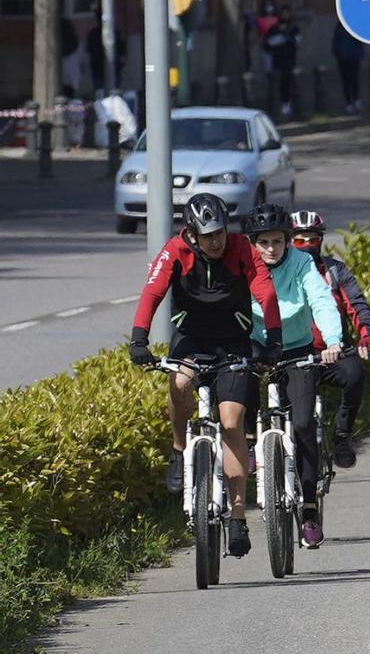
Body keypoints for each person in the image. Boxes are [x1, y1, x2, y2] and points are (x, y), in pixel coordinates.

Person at [128, 194, 282, 557]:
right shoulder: (175, 250)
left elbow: (265, 291)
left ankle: (238, 517)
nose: (217, 241)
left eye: (221, 233)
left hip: (233, 344)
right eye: (208, 235)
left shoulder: (242, 248)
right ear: (192, 234)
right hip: (192, 341)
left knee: (231, 423)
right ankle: (180, 450)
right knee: (179, 382)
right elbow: (152, 291)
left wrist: (274, 340)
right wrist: (139, 339)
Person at [242, 203, 344, 548]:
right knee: (238, 400)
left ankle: (310, 508)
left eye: (277, 241)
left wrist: (332, 341)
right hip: (256, 347)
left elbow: (321, 299)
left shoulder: (301, 264)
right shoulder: (243, 264)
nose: (271, 249)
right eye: (263, 243)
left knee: (302, 426)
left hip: (297, 350)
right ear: (252, 244)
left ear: (288, 241)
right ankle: (252, 449)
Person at [291, 210, 370, 468]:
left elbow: (357, 305)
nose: (307, 246)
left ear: (321, 240)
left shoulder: (335, 271)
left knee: (355, 376)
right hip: (294, 356)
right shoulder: (280, 273)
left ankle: (342, 436)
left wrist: (368, 336)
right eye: (299, 241)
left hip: (331, 354)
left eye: (312, 240)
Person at [264, 4, 300, 118]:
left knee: (287, 80)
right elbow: (267, 43)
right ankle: (275, 104)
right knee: (276, 82)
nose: (285, 15)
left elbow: (297, 41)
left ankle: (287, 103)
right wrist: (276, 42)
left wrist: (288, 39)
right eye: (283, 13)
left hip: (289, 59)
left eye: (287, 13)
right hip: (277, 59)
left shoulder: (293, 28)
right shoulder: (274, 28)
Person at [331, 23, 365, 114]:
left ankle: (356, 99)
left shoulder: (355, 26)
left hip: (353, 57)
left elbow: (360, 39)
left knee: (354, 79)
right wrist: (338, 53)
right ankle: (349, 102)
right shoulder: (339, 28)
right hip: (343, 58)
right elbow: (336, 42)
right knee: (346, 80)